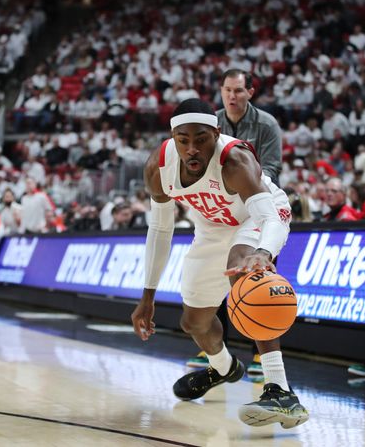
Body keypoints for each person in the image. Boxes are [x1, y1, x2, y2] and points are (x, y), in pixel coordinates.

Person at [131, 99, 308, 429]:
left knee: (244, 269)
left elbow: (268, 216)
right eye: (184, 140)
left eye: (201, 139)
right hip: (212, 227)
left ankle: (281, 391)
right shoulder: (159, 167)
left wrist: (264, 254)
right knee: (194, 322)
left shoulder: (235, 160)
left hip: (259, 218)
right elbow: (159, 229)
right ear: (173, 137)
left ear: (216, 133)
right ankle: (225, 368)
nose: (192, 149)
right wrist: (147, 296)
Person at [187, 68, 283, 375]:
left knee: (256, 280)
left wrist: (248, 188)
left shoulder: (266, 124)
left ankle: (263, 355)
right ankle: (217, 353)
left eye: (238, 91)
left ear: (250, 93)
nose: (232, 96)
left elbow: (271, 168)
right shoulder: (209, 122)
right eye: (227, 90)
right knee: (219, 278)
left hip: (258, 199)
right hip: (223, 204)